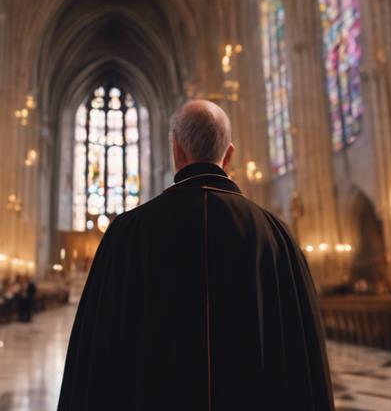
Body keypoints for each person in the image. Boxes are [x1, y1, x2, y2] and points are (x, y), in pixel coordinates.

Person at [58, 100, 334, 411]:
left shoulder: (126, 234)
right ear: (229, 154)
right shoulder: (275, 236)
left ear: (176, 150)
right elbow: (302, 361)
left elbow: (97, 360)